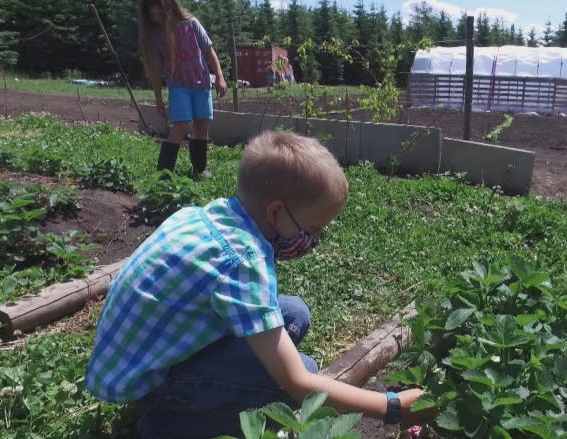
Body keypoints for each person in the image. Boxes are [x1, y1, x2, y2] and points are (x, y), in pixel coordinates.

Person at [85, 131, 434, 438]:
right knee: (305, 370)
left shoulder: (211, 215)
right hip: (145, 383)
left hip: (135, 357)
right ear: (276, 212)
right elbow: (297, 383)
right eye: (312, 229)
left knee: (293, 313)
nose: (315, 240)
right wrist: (393, 407)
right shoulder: (242, 260)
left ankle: (187, 398)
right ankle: (167, 424)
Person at [138, 0, 227, 178]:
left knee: (202, 127)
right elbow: (155, 72)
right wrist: (158, 100)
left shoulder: (192, 24)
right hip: (179, 87)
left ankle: (200, 169)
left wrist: (220, 76)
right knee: (179, 128)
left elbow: (209, 52)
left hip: (201, 84)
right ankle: (163, 174)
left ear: (168, 8)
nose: (157, 19)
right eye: (153, 17)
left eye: (159, 14)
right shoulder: (155, 35)